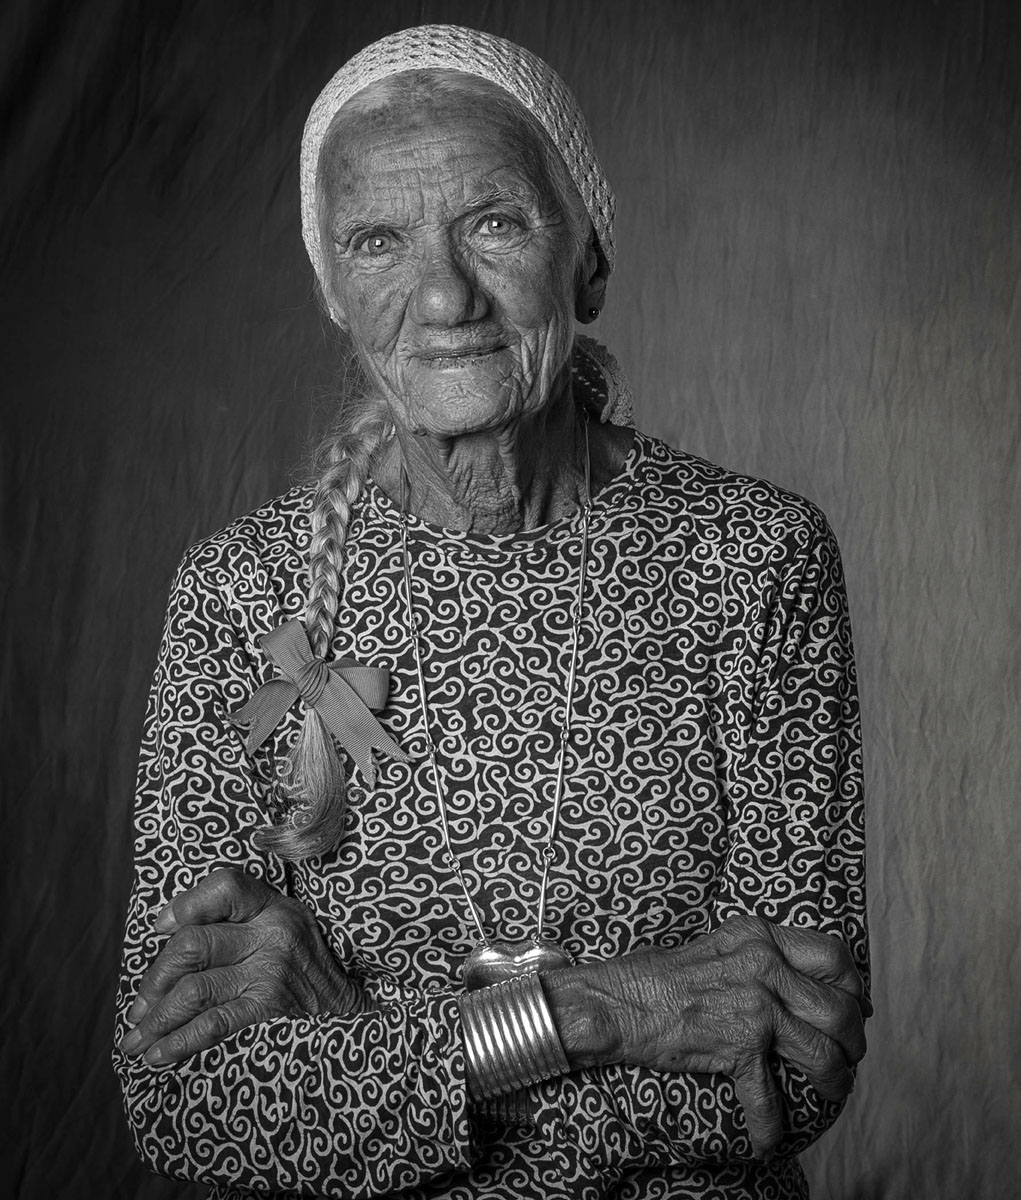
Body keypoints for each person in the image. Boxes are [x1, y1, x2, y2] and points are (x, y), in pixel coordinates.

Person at [115, 24, 870, 1200]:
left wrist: (360, 1041)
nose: (444, 293)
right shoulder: (236, 591)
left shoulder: (755, 558)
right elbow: (189, 1103)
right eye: (377, 240)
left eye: (495, 222)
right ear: (334, 293)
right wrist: (595, 1011)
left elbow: (790, 1067)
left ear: (588, 260)